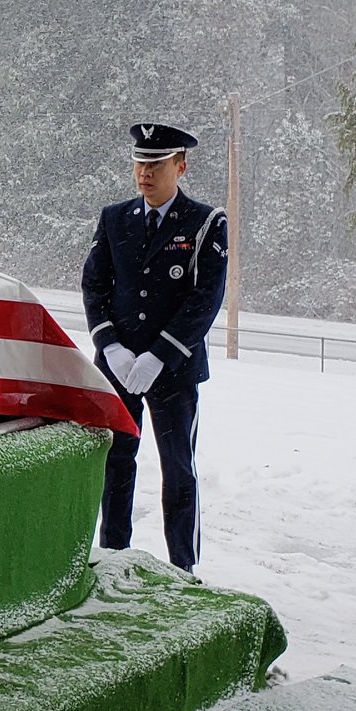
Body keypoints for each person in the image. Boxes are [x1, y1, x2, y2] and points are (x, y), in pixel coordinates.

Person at [80, 122, 228, 572]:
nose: (145, 174)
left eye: (156, 164)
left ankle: (184, 569)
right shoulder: (115, 217)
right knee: (117, 462)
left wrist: (159, 355)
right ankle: (113, 559)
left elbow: (205, 300)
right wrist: (110, 346)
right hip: (119, 368)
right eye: (140, 164)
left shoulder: (205, 223)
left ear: (180, 166)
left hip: (174, 373)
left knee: (178, 470)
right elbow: (94, 284)